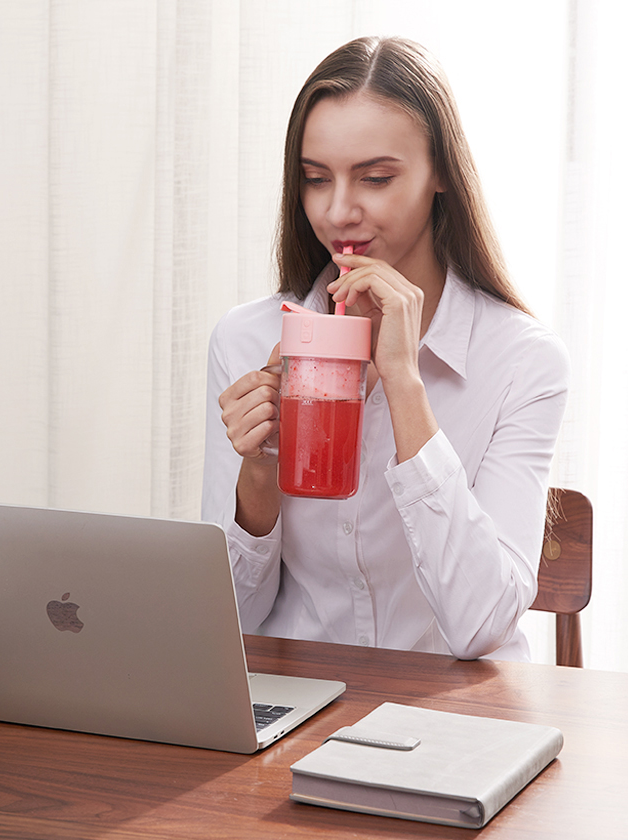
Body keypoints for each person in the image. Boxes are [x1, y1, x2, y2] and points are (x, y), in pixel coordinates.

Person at [201, 36, 569, 661]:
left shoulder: (523, 361)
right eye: (316, 180)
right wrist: (261, 465)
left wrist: (403, 381)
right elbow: (226, 622)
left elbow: (482, 626)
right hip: (300, 711)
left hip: (454, 721)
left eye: (375, 178)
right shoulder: (246, 340)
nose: (340, 211)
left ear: (443, 174)